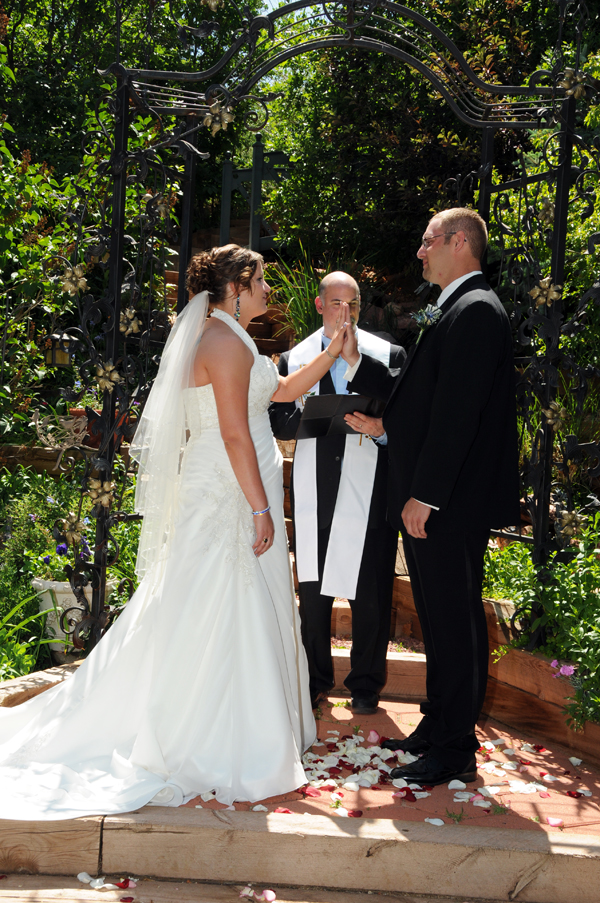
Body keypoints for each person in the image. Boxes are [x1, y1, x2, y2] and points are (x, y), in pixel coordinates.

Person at [0, 244, 351, 819]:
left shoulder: (231, 337)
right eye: (261, 280)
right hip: (229, 491)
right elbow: (235, 434)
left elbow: (282, 391)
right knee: (221, 603)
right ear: (236, 287)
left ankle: (255, 732)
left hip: (236, 483)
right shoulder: (223, 343)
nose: (268, 289)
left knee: (223, 602)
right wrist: (261, 508)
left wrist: (332, 350)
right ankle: (224, 742)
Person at [341, 209, 520, 785]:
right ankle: (439, 722)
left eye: (427, 242)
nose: (420, 252)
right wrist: (367, 386)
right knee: (439, 622)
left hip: (449, 501)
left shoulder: (477, 310)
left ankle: (454, 748)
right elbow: (423, 397)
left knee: (454, 621)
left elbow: (457, 416)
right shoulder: (454, 306)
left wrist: (428, 495)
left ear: (459, 242)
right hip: (436, 497)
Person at [270, 272, 405, 715]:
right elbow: (280, 422)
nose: (344, 312)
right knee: (313, 593)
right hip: (316, 486)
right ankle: (315, 678)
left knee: (371, 593)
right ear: (319, 305)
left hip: (370, 489)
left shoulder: (388, 355)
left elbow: (405, 418)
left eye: (352, 304)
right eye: (336, 303)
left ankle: (366, 683)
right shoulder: (294, 358)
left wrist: (381, 429)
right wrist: (314, 417)